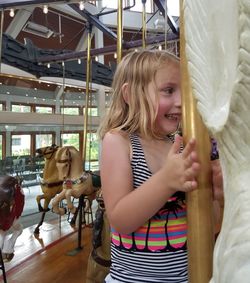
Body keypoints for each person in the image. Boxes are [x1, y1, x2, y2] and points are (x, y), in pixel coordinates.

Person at [99, 50, 223, 283]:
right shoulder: (119, 141)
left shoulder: (177, 146)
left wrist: (212, 192)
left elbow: (211, 221)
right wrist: (166, 180)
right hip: (134, 280)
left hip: (189, 276)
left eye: (184, 92)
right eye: (168, 91)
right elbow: (120, 220)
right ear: (130, 94)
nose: (181, 102)